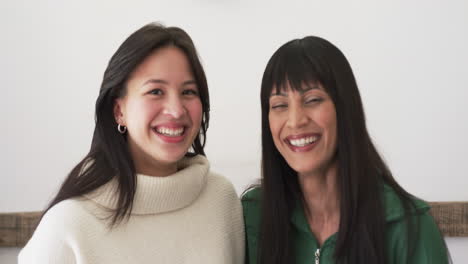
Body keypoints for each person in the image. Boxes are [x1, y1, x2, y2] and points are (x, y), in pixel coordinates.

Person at [19, 23, 244, 264]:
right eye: (156, 91)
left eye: (188, 92)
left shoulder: (221, 199)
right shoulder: (69, 224)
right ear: (119, 111)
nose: (176, 110)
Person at [242, 36, 450, 264]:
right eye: (280, 105)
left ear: (345, 107)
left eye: (312, 100)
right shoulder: (251, 215)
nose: (295, 121)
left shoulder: (411, 226)